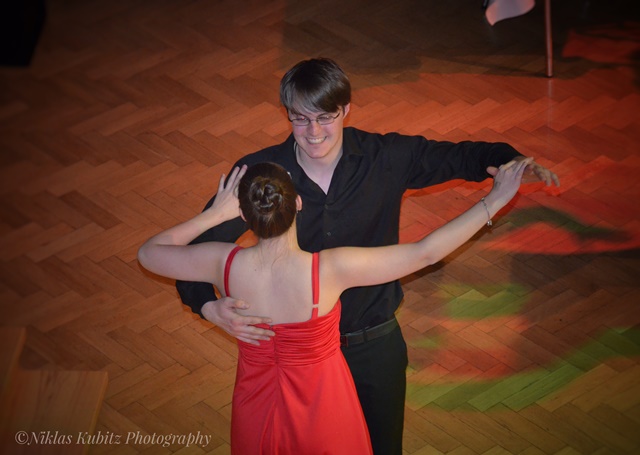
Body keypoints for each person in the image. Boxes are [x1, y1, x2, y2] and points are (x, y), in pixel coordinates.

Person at [176, 58, 560, 454]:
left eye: (325, 117)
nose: (313, 132)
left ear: (346, 109)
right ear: (286, 113)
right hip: (299, 359)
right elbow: (191, 251)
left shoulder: (386, 156)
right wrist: (207, 306)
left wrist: (513, 161)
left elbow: (463, 156)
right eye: (300, 119)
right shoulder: (259, 176)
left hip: (373, 345)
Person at [139, 159, 531, 454]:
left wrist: (214, 214)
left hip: (255, 406)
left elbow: (149, 253)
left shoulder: (221, 262)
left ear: (243, 214)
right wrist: (495, 199)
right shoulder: (328, 270)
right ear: (298, 204)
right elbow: (425, 252)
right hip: (323, 409)